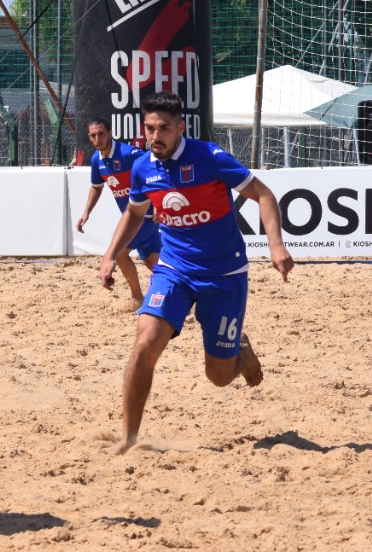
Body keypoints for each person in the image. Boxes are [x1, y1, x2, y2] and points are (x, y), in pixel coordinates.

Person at [100, 92, 294, 455]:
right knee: (145, 342)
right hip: (173, 270)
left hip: (224, 274)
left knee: (219, 377)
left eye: (164, 129)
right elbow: (133, 213)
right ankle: (129, 436)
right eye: (149, 128)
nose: (155, 136)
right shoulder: (143, 167)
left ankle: (241, 349)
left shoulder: (209, 158)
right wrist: (111, 254)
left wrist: (276, 245)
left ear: (180, 128)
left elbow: (264, 195)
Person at [76, 117, 162, 306]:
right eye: (93, 135)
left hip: (145, 215)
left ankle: (137, 297)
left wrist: (158, 203)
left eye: (101, 134)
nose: (97, 138)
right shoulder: (96, 160)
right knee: (153, 262)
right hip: (132, 218)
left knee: (120, 253)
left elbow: (156, 168)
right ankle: (186, 294)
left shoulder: (129, 154)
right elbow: (97, 187)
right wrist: (86, 212)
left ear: (110, 133)